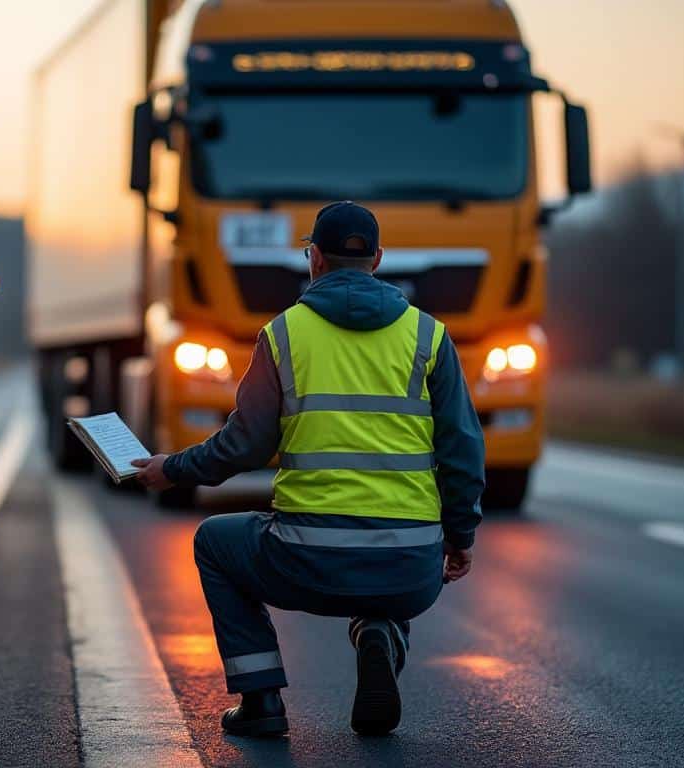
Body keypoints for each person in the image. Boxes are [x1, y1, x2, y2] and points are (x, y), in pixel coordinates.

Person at [131, 201, 485, 738]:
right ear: (378, 259)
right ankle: (381, 632)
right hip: (412, 567)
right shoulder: (429, 337)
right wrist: (459, 535)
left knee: (215, 542)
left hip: (305, 561)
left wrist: (172, 469)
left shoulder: (283, 335)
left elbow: (243, 446)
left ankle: (262, 701)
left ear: (314, 258)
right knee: (387, 570)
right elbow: (462, 449)